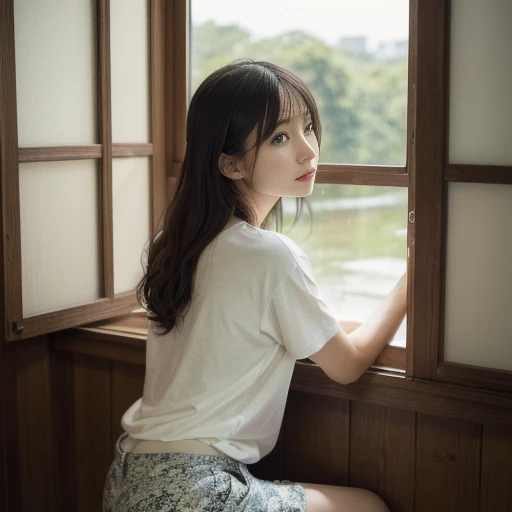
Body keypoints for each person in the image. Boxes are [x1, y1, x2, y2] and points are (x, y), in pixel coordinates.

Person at [103, 59, 405, 511]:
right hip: (193, 491)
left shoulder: (176, 242)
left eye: (308, 127)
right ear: (230, 164)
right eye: (280, 138)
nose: (308, 151)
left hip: (127, 480)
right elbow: (347, 364)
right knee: (368, 506)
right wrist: (413, 277)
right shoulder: (270, 255)